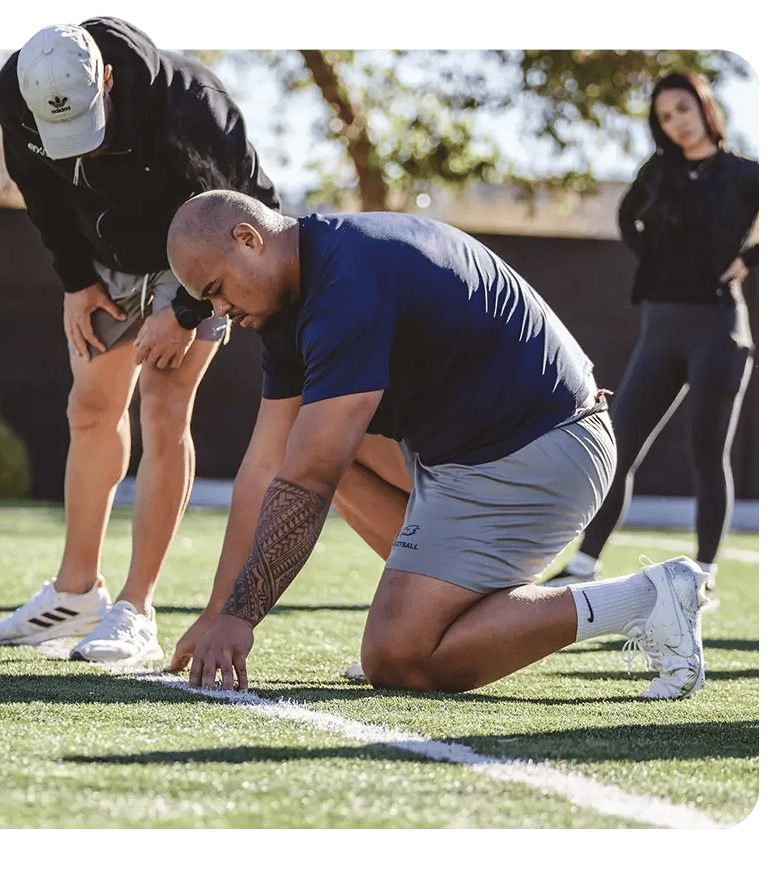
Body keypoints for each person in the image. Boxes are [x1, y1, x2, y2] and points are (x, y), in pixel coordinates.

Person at [165, 190, 710, 701]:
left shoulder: (347, 276)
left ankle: (646, 597)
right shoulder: (289, 298)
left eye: (215, 289)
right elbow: (265, 465)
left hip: (544, 446)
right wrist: (220, 613)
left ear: (249, 238)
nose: (217, 311)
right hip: (475, 455)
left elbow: (309, 477)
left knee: (399, 659)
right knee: (308, 442)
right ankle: (455, 610)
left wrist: (242, 617)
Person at [0, 18, 282, 663]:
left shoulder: (192, 108)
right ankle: (76, 591)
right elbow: (42, 194)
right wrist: (75, 281)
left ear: (108, 80)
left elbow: (245, 215)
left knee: (165, 406)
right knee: (89, 409)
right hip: (106, 256)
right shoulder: (16, 99)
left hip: (198, 252)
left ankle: (135, 608)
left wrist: (190, 307)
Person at [542, 72, 758, 607]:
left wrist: (748, 260)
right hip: (661, 329)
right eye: (665, 116)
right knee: (617, 446)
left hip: (718, 331)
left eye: (683, 109)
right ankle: (585, 564)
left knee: (709, 453)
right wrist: (658, 269)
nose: (677, 122)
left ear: (704, 107)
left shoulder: (744, 174)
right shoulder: (657, 171)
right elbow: (625, 217)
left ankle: (703, 578)